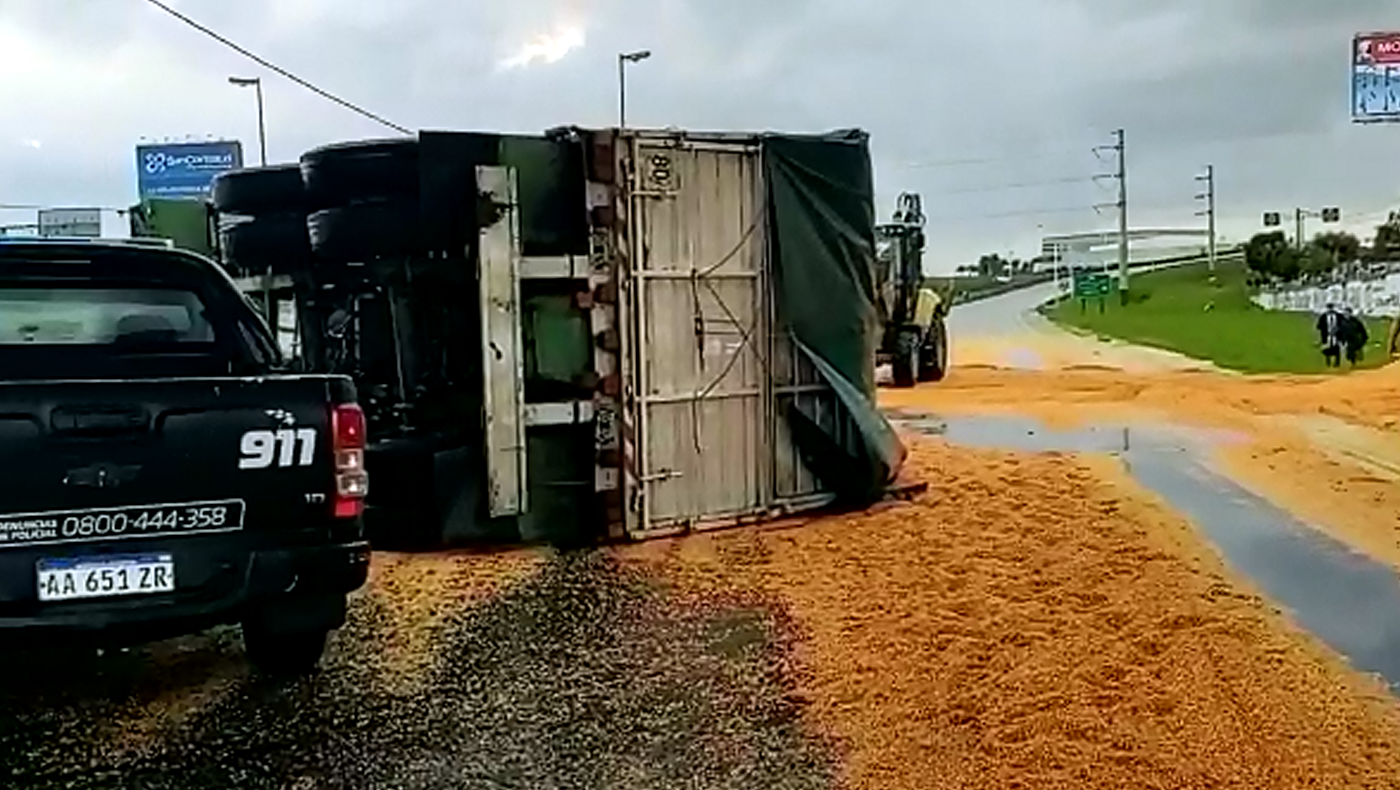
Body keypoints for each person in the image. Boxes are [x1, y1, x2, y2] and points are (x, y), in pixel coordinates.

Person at [1317, 304, 1343, 368]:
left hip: (1336, 335)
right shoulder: (1323, 316)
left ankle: (1337, 362)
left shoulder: (1338, 315)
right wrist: (1325, 329)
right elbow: (1319, 326)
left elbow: (1342, 324)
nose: (1330, 309)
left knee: (1336, 348)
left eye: (1331, 308)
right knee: (1327, 348)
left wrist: (1338, 329)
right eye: (1329, 308)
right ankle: (1328, 361)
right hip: (1327, 335)